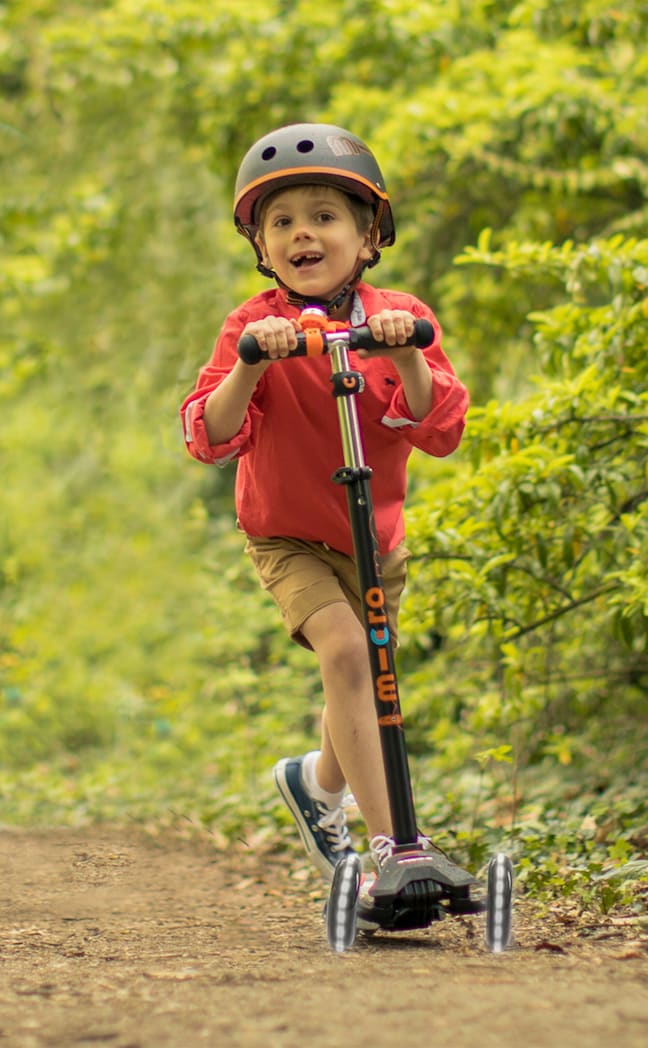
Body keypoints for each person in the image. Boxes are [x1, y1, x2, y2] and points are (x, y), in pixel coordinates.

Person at [180, 123, 469, 885]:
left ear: (369, 237)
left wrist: (405, 349)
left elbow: (441, 426)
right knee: (347, 655)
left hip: (373, 537)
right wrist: (251, 362)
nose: (301, 232)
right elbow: (207, 433)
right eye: (281, 222)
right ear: (263, 247)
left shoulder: (398, 314)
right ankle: (393, 850)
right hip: (287, 536)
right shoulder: (252, 324)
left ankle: (316, 785)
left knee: (369, 677)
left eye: (324, 215)